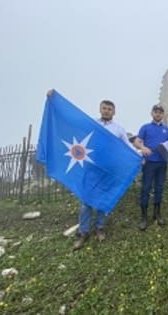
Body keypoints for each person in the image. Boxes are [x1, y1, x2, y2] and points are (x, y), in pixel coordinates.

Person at [61, 95, 135, 250]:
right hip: (91, 168)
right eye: (104, 108)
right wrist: (54, 98)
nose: (107, 111)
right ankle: (83, 232)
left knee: (103, 197)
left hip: (108, 169)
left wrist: (140, 154)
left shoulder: (118, 129)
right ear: (100, 109)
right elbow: (73, 123)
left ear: (114, 112)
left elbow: (128, 146)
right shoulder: (92, 124)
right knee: (86, 201)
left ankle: (100, 227)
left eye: (110, 109)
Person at [134, 104, 168, 230]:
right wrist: (142, 147)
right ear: (152, 113)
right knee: (145, 188)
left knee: (159, 188)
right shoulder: (145, 127)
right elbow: (137, 141)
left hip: (162, 164)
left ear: (163, 115)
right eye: (156, 112)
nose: (158, 114)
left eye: (160, 112)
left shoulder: (167, 130)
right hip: (149, 163)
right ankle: (144, 217)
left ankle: (157, 214)